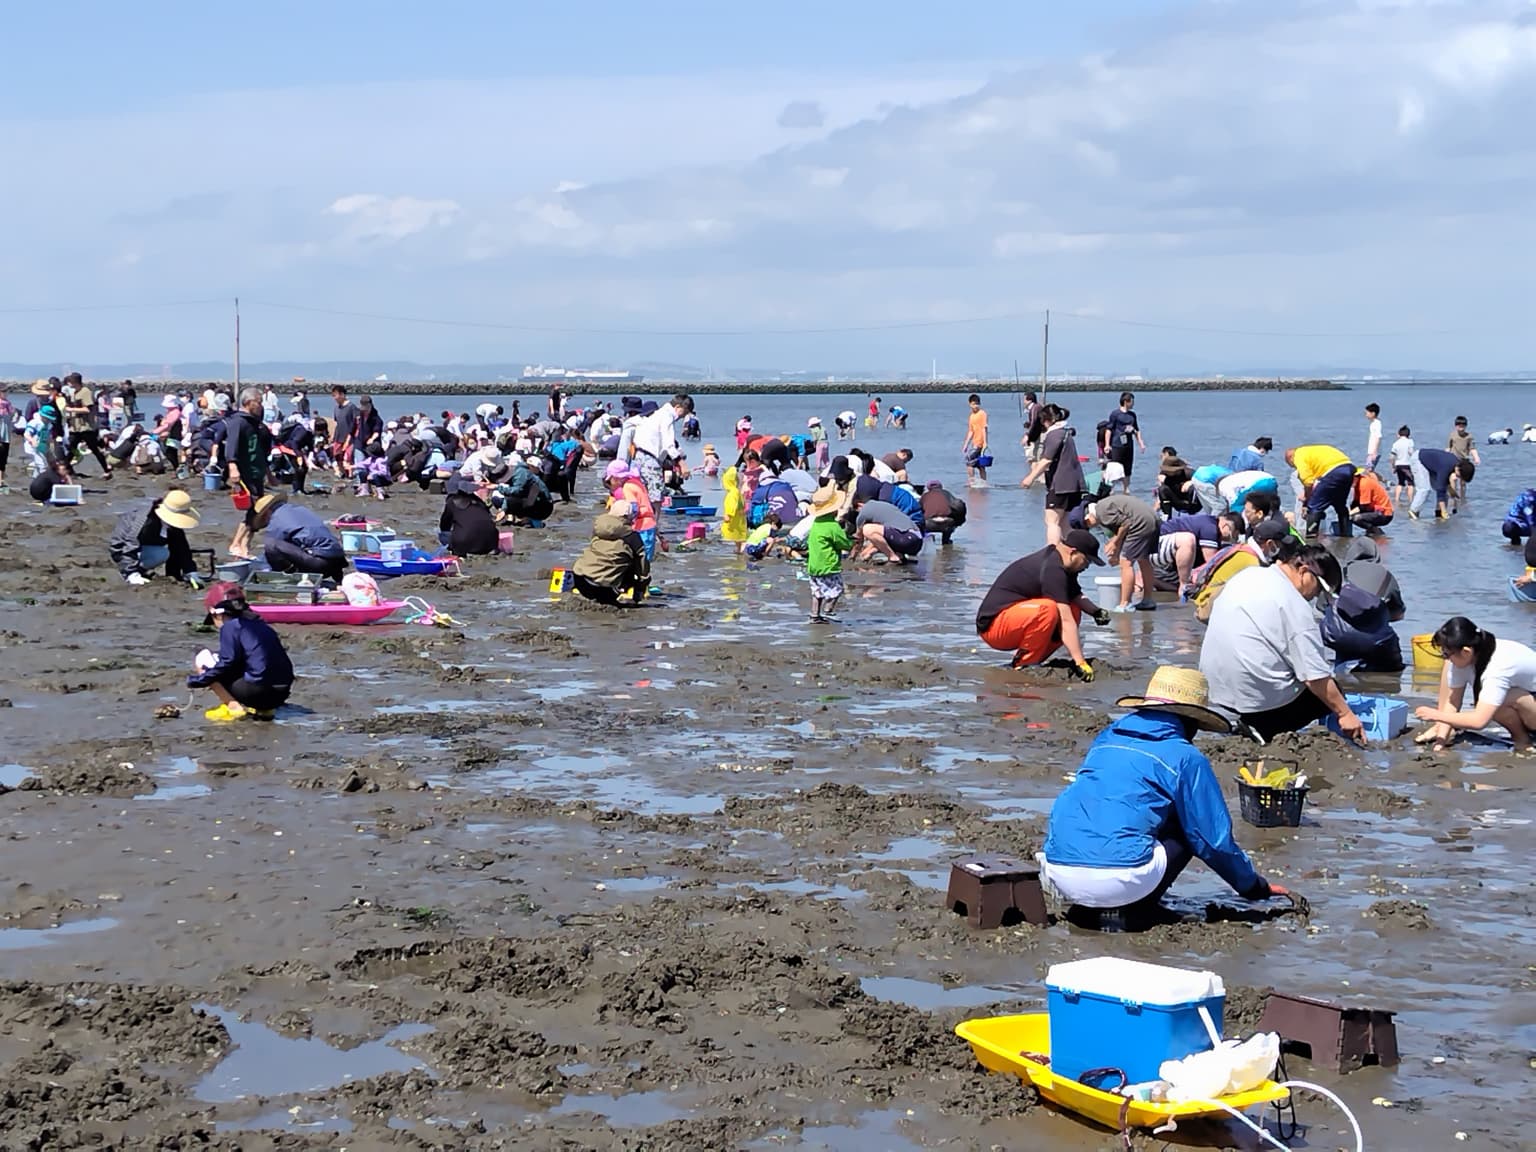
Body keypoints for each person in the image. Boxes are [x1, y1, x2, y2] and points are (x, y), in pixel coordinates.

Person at [1040, 666, 1291, 928]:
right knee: (1189, 826)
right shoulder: (1185, 756)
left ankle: (1091, 908)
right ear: (1190, 721)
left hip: (1059, 871)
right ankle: (1138, 908)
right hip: (1117, 878)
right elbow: (1212, 840)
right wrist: (1253, 887)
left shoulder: (1106, 739)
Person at [1200, 538, 1365, 744]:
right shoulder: (1294, 605)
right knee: (1330, 693)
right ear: (1304, 571)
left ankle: (1246, 721)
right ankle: (1263, 729)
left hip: (1215, 693)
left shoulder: (1249, 574)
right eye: (1319, 589)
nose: (1315, 597)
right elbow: (1315, 676)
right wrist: (1345, 714)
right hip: (1254, 703)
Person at [975, 530, 1109, 675]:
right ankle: (1024, 664)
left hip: (1015, 619)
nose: (1087, 566)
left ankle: (1034, 659)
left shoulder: (1063, 565)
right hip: (994, 627)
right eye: (1087, 560)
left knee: (1074, 609)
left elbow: (1075, 595)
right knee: (1048, 609)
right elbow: (1065, 620)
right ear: (1072, 552)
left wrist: (1096, 612)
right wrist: (1080, 662)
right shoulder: (1053, 568)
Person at [1414, 617, 1536, 752]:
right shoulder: (1464, 658)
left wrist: (1435, 715)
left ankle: (1522, 741)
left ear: (1466, 652)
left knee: (1499, 700)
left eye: (1447, 654)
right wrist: (1440, 742)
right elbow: (1452, 702)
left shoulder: (1497, 668)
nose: (1445, 658)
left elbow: (1479, 721)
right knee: (1489, 701)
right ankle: (1523, 737)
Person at [188, 582, 294, 722]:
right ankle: (265, 711)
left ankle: (233, 708)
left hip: (255, 691)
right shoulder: (260, 624)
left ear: (215, 613)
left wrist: (199, 680)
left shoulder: (230, 626)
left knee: (202, 658)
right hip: (281, 693)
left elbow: (227, 662)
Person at [1189, 519, 1290, 623]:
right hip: (1208, 609)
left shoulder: (1242, 549)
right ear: (1269, 543)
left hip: (1202, 600)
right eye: (1280, 544)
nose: (1281, 548)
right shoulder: (1253, 565)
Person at [1020, 404, 1085, 545]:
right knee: (1065, 524)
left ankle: (1052, 554)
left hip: (1060, 485)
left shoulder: (1054, 434)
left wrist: (1030, 478)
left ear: (1046, 420)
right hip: (1075, 485)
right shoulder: (1066, 432)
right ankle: (1073, 551)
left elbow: (1046, 460)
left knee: (1052, 521)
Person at [1084, 494, 1161, 612]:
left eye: (1087, 524)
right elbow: (1123, 531)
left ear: (1088, 516)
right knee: (1143, 560)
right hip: (1153, 520)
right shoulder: (1104, 507)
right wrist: (1115, 553)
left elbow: (1126, 524)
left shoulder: (1101, 512)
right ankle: (1148, 600)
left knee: (1126, 563)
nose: (1090, 527)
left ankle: (1125, 603)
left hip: (1140, 523)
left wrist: (1114, 542)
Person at [109, 489, 202, 585]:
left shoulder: (171, 525)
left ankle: (170, 573)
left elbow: (181, 546)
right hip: (122, 551)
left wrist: (190, 571)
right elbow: (128, 546)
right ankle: (130, 572)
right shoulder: (145, 521)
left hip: (143, 548)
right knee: (161, 554)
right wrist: (131, 573)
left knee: (172, 548)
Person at [225, 387, 270, 560]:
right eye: (258, 402)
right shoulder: (238, 421)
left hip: (256, 470)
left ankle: (244, 546)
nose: (260, 406)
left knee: (259, 511)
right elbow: (232, 445)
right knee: (255, 510)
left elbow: (259, 450)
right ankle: (237, 544)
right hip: (245, 472)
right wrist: (232, 466)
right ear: (248, 402)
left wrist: (268, 472)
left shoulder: (254, 422)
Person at [572, 507, 651, 605]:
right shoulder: (631, 535)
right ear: (627, 517)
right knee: (633, 565)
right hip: (602, 586)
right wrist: (643, 581)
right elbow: (642, 560)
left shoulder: (599, 527)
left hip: (579, 578)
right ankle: (634, 597)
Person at [1285, 444, 1356, 538]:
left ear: (1290, 458)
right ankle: (1346, 534)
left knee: (1314, 508)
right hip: (1349, 468)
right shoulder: (1310, 451)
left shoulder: (1298, 456)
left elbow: (1308, 482)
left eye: (1293, 465)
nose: (1295, 468)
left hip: (1333, 472)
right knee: (1340, 504)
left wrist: (1306, 501)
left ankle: (1311, 537)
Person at [806, 483, 852, 621]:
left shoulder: (816, 523)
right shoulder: (832, 526)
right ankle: (828, 610)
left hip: (813, 566)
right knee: (836, 590)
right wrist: (852, 543)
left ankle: (815, 614)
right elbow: (843, 543)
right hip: (828, 566)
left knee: (817, 592)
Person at [63, 375, 112, 478]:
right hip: (75, 427)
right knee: (71, 448)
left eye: (69, 382)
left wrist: (71, 410)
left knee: (94, 449)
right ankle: (65, 469)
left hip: (86, 427)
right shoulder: (74, 393)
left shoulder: (85, 392)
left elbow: (88, 409)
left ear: (74, 382)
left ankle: (107, 470)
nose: (68, 384)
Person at [851, 495, 923, 563]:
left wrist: (853, 556)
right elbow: (880, 539)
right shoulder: (883, 506)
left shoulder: (864, 512)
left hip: (906, 537)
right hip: (916, 541)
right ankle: (899, 556)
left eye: (857, 510)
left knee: (867, 529)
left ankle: (893, 558)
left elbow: (858, 540)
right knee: (876, 538)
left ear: (859, 504)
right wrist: (867, 552)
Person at [439, 481, 500, 556]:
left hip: (465, 543)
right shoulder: (479, 502)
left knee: (443, 535)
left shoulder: (452, 502)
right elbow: (489, 519)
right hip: (491, 543)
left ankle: (458, 551)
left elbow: (444, 525)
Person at [1102, 392, 1145, 493]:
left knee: (1128, 466)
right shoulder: (1115, 414)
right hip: (1117, 444)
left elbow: (1136, 430)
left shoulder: (1132, 415)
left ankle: (1126, 488)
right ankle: (1110, 488)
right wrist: (1107, 444)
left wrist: (1141, 443)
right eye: (1132, 402)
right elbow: (1109, 430)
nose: (1133, 404)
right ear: (1126, 402)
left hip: (1128, 445)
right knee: (1114, 466)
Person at [1411, 446, 1460, 520]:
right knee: (1424, 489)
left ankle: (1438, 513)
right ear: (1458, 470)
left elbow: (1445, 485)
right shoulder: (1446, 468)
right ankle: (1413, 511)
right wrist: (1444, 512)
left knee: (1445, 490)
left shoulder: (1456, 465)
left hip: (1433, 465)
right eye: (1457, 476)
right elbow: (1440, 490)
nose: (1456, 478)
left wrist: (1450, 489)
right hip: (1419, 460)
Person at [919, 480, 967, 545]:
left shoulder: (925, 496)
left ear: (928, 488)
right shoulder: (946, 493)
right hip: (947, 523)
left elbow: (919, 510)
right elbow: (957, 505)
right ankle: (946, 541)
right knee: (949, 526)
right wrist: (959, 521)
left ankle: (923, 542)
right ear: (941, 486)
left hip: (929, 524)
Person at [1349, 468, 1394, 533]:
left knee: (1355, 518)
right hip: (1373, 510)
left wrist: (1349, 514)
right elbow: (1355, 503)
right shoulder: (1357, 485)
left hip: (1384, 513)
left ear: (1355, 477)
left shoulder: (1364, 484)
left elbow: (1364, 506)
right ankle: (1371, 531)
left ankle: (1376, 531)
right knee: (1352, 515)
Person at [1447, 415, 1480, 500]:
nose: (1461, 427)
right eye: (1459, 425)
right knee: (1453, 479)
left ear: (1465, 426)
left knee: (1463, 482)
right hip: (1453, 459)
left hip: (1464, 460)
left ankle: (1463, 497)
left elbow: (1472, 448)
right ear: (1456, 426)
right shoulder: (1452, 435)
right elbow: (1448, 447)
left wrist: (1476, 457)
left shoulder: (1469, 437)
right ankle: (1453, 496)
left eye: (1463, 425)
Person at [330, 386, 360, 478]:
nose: (334, 398)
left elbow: (357, 422)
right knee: (337, 455)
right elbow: (337, 422)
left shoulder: (352, 407)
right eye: (333, 396)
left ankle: (350, 473)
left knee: (348, 456)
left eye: (336, 395)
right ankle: (342, 472)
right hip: (338, 436)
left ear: (342, 395)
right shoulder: (336, 408)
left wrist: (355, 435)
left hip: (350, 436)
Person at [720, 465, 749, 553]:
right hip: (739, 516)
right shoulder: (736, 491)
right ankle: (739, 549)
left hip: (734, 516)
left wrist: (728, 514)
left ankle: (743, 548)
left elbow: (732, 505)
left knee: (737, 532)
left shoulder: (733, 492)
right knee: (738, 534)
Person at [962, 393, 989, 486]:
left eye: (977, 404)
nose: (975, 406)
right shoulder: (971, 416)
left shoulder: (982, 414)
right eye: (973, 404)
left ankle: (971, 481)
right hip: (974, 443)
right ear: (970, 404)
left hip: (980, 443)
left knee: (969, 461)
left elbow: (984, 428)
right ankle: (984, 483)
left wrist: (985, 442)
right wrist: (966, 444)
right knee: (980, 465)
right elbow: (971, 432)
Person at [1389, 425, 1416, 504]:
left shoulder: (1396, 443)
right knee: (1410, 483)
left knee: (1400, 483)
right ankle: (1410, 500)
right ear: (1408, 434)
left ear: (1399, 434)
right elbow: (1411, 452)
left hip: (1399, 465)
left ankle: (1397, 499)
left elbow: (1392, 457)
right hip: (1407, 465)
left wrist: (1393, 466)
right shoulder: (1410, 442)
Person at [1363, 403, 1383, 473]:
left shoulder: (1377, 423)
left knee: (1368, 471)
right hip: (1371, 452)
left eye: (1367, 413)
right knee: (1370, 471)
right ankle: (1385, 481)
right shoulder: (1373, 423)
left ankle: (1380, 482)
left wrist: (1374, 452)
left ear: (1373, 413)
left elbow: (1378, 437)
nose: (1366, 415)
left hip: (1373, 452)